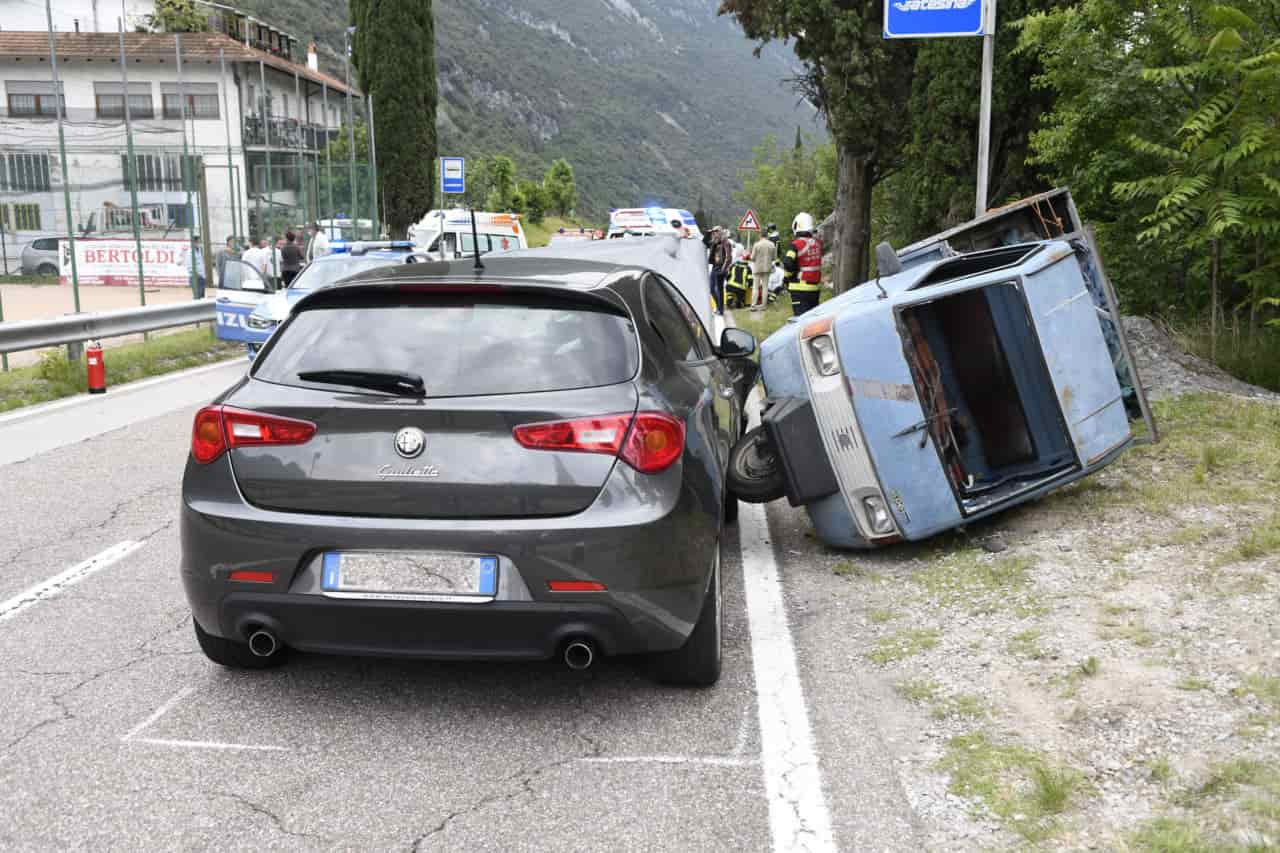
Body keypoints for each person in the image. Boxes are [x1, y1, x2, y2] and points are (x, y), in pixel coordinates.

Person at [782, 212, 823, 316]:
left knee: (800, 319)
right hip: (815, 289)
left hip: (799, 289)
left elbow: (787, 262)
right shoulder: (817, 244)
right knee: (812, 319)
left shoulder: (796, 244)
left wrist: (787, 278)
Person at [708, 228, 733, 316]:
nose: (714, 234)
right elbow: (706, 242)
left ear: (720, 232)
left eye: (715, 232)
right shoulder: (715, 242)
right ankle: (719, 307)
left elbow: (729, 257)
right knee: (711, 288)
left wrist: (723, 269)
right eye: (713, 232)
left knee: (719, 289)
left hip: (721, 267)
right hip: (715, 266)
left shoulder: (726, 242)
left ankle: (720, 309)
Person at [749, 230, 776, 312]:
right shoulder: (772, 244)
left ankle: (753, 305)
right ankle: (764, 306)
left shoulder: (756, 244)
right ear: (767, 235)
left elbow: (752, 258)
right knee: (765, 287)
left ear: (760, 235)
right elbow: (774, 257)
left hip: (757, 268)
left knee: (755, 287)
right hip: (767, 268)